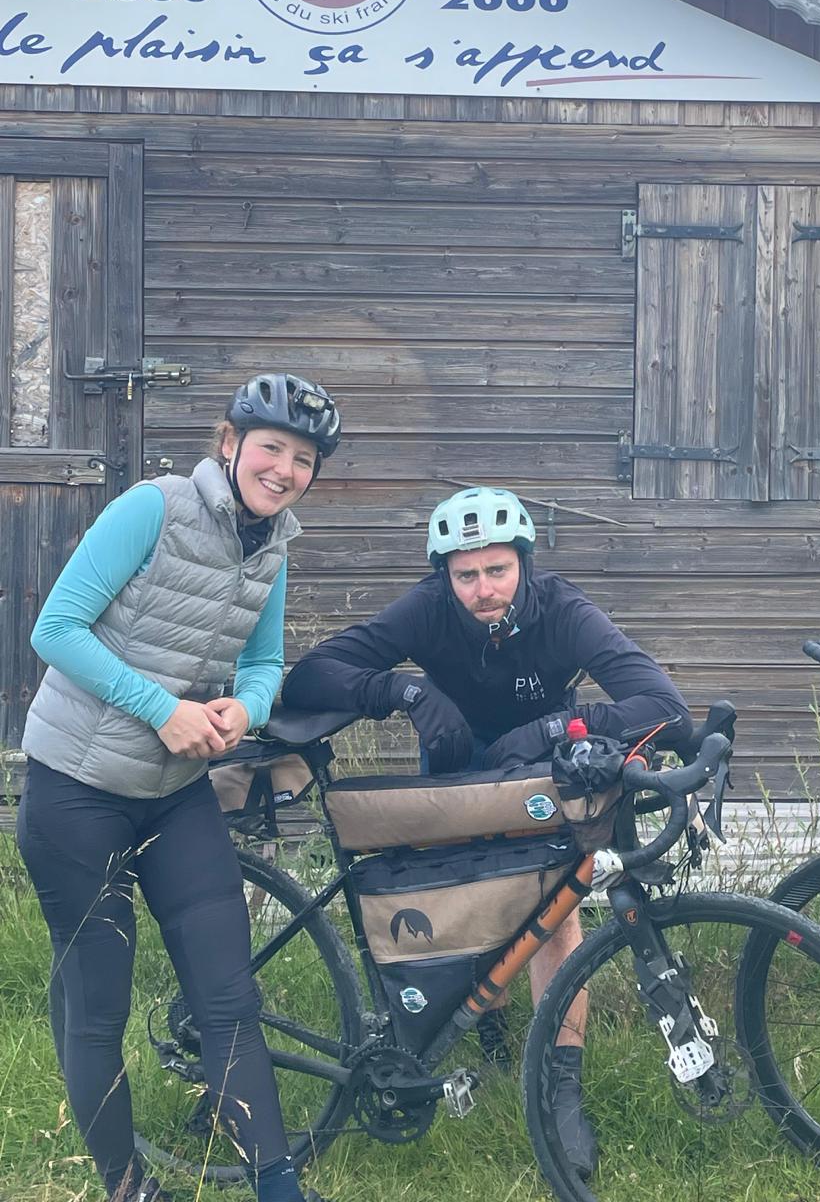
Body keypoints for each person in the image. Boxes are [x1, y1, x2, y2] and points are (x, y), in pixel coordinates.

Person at [280, 484, 694, 1176]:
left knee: (553, 918)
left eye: (497, 570)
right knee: (463, 906)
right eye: (465, 574)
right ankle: (493, 1038)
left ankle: (560, 1083)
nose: (482, 589)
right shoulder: (429, 608)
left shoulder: (560, 609)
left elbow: (664, 704)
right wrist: (405, 692)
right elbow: (313, 674)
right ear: (443, 575)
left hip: (543, 771)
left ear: (524, 566)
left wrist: (558, 726)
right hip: (457, 771)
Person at [17, 374, 342, 1202]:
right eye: (272, 448)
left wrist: (249, 705)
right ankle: (126, 1186)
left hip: (176, 792)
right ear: (230, 442)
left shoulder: (272, 545)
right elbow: (55, 627)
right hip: (77, 792)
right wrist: (163, 709)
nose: (285, 470)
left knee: (229, 994)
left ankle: (279, 1188)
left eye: (304, 460)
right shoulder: (152, 507)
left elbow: (264, 662)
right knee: (99, 1007)